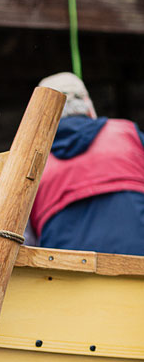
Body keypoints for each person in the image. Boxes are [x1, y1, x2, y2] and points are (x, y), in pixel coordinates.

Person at [29, 71, 144, 254]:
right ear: (88, 106)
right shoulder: (129, 134)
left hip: (67, 276)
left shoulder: (32, 162)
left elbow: (24, 242)